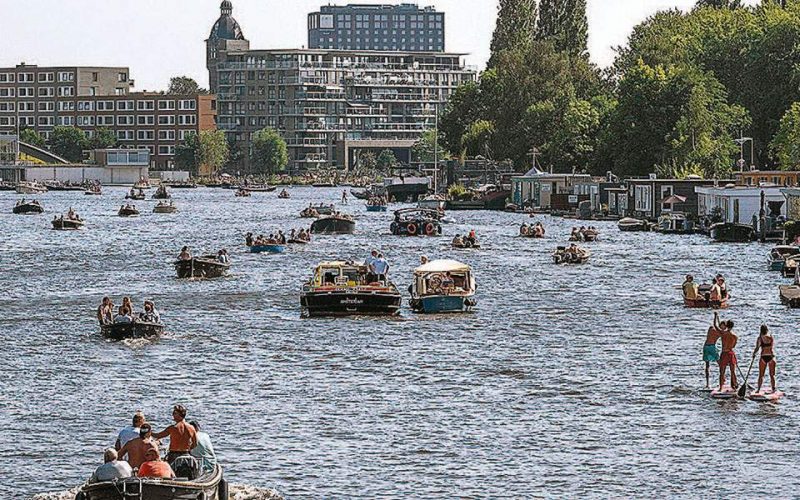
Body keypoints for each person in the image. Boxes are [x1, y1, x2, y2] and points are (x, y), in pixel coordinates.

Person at [753, 325, 777, 393]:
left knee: (761, 375)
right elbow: (771, 345)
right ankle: (773, 389)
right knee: (772, 375)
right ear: (767, 330)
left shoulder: (759, 338)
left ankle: (758, 390)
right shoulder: (770, 337)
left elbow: (757, 348)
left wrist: (754, 354)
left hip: (763, 357)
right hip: (771, 356)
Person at [702, 313, 724, 389]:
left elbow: (716, 325)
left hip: (711, 347)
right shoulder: (712, 329)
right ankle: (707, 384)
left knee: (720, 365)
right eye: (722, 326)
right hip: (707, 347)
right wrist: (716, 317)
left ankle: (721, 382)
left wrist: (716, 317)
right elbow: (715, 325)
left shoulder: (721, 333)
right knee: (707, 366)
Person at [719, 319, 738, 391]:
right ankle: (735, 386)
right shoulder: (735, 336)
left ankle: (721, 388)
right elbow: (733, 346)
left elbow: (717, 328)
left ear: (726, 326)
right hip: (731, 353)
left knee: (722, 372)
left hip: (724, 353)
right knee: (733, 371)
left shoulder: (723, 334)